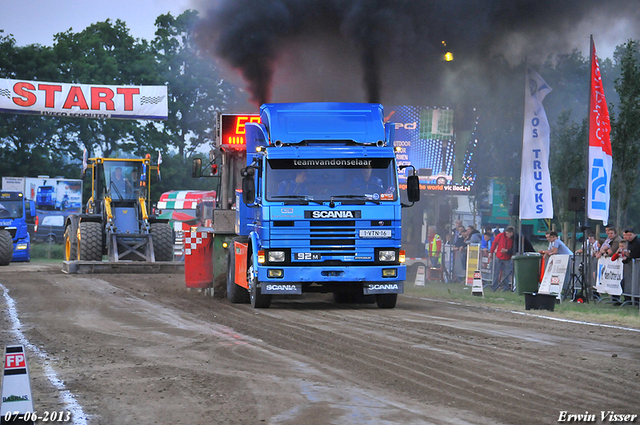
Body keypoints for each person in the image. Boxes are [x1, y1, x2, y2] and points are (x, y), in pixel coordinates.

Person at [490, 226, 515, 291]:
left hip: (507, 258)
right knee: (496, 272)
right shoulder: (500, 236)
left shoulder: (513, 238)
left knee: (506, 274)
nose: (506, 234)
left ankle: (505, 288)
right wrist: (491, 252)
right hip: (499, 257)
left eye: (507, 233)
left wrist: (508, 251)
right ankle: (494, 286)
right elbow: (494, 243)